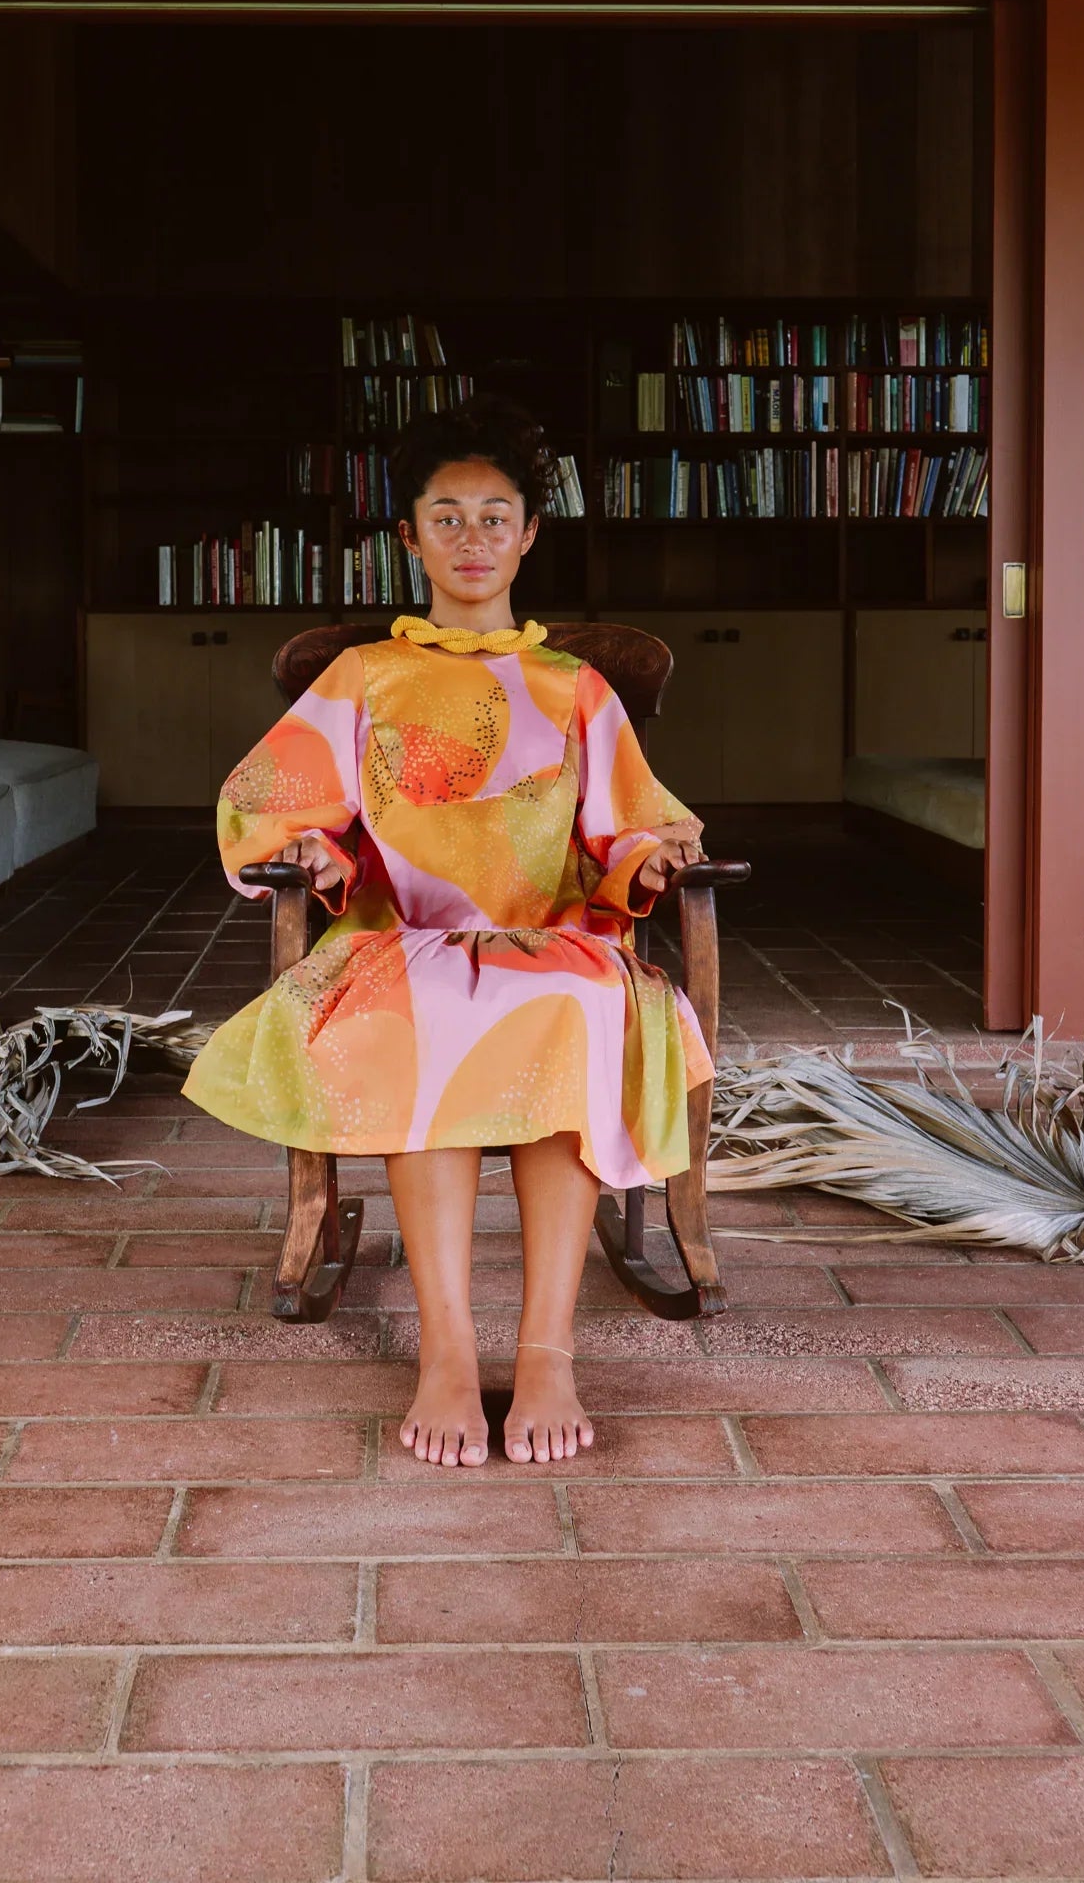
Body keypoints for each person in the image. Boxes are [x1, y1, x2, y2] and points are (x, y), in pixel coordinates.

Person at [184, 397, 711, 1467]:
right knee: (422, 1011)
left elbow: (631, 819)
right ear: (410, 537)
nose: (472, 538)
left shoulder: (573, 687)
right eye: (447, 517)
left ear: (527, 535)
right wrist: (315, 851)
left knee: (575, 1003)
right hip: (403, 942)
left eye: (494, 517)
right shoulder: (364, 676)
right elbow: (274, 800)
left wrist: (648, 855)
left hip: (551, 943)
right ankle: (447, 1352)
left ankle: (549, 1351)